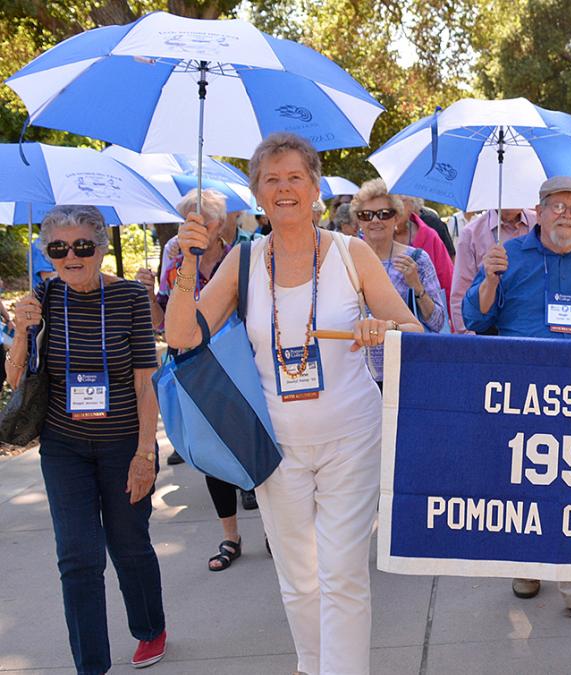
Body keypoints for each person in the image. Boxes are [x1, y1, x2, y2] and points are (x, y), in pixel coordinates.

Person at [164, 132, 423, 675]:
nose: (284, 189)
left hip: (352, 435)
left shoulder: (351, 254)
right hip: (274, 444)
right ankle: (313, 665)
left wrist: (383, 328)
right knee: (299, 576)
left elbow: (412, 327)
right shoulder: (242, 261)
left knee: (343, 573)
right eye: (271, 179)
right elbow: (183, 336)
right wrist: (188, 262)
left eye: (294, 178)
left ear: (316, 189)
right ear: (257, 193)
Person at [7, 205, 167, 673]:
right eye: (58, 248)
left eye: (81, 246)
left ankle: (149, 627)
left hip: (122, 443)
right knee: (77, 558)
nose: (70, 256)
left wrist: (144, 454)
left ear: (100, 248)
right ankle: (91, 665)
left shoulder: (131, 299)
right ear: (47, 253)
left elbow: (144, 382)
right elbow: (16, 381)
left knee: (129, 545)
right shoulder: (41, 299)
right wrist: (21, 331)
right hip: (64, 447)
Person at [463, 176, 571, 629]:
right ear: (539, 210)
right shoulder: (506, 255)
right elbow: (475, 319)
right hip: (524, 396)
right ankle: (528, 563)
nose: (567, 215)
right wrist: (490, 280)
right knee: (526, 484)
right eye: (558, 206)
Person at [134, 188, 262, 569]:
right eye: (186, 220)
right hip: (194, 368)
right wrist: (146, 296)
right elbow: (162, 326)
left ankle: (274, 531)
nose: (193, 228)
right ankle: (230, 536)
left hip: (241, 367)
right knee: (209, 451)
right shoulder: (174, 263)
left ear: (219, 224)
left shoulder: (244, 255)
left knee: (256, 444)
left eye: (201, 220)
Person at [351, 179, 447, 378]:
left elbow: (438, 322)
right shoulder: (346, 260)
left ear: (396, 218)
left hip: (404, 368)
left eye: (384, 214)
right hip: (357, 371)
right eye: (366, 215)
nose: (375, 220)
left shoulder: (417, 260)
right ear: (359, 221)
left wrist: (417, 287)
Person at [449, 208, 535, 333]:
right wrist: (470, 340)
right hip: (487, 333)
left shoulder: (541, 224)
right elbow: (460, 294)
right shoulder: (471, 233)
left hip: (533, 328)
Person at [384, 189, 455, 298]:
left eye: (402, 201)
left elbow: (447, 281)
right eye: (390, 202)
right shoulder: (374, 235)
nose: (395, 207)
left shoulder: (429, 236)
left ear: (413, 205)